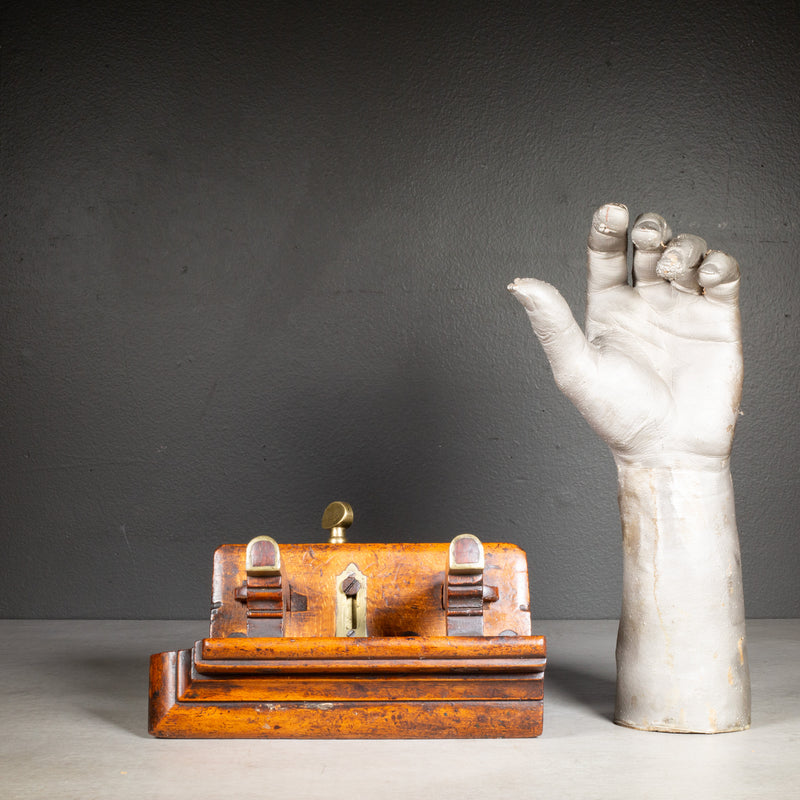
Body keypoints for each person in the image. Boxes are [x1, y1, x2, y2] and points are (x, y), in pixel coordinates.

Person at [508, 203, 750, 732]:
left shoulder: (690, 423)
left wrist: (688, 467)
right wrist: (660, 463)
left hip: (687, 456)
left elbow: (683, 457)